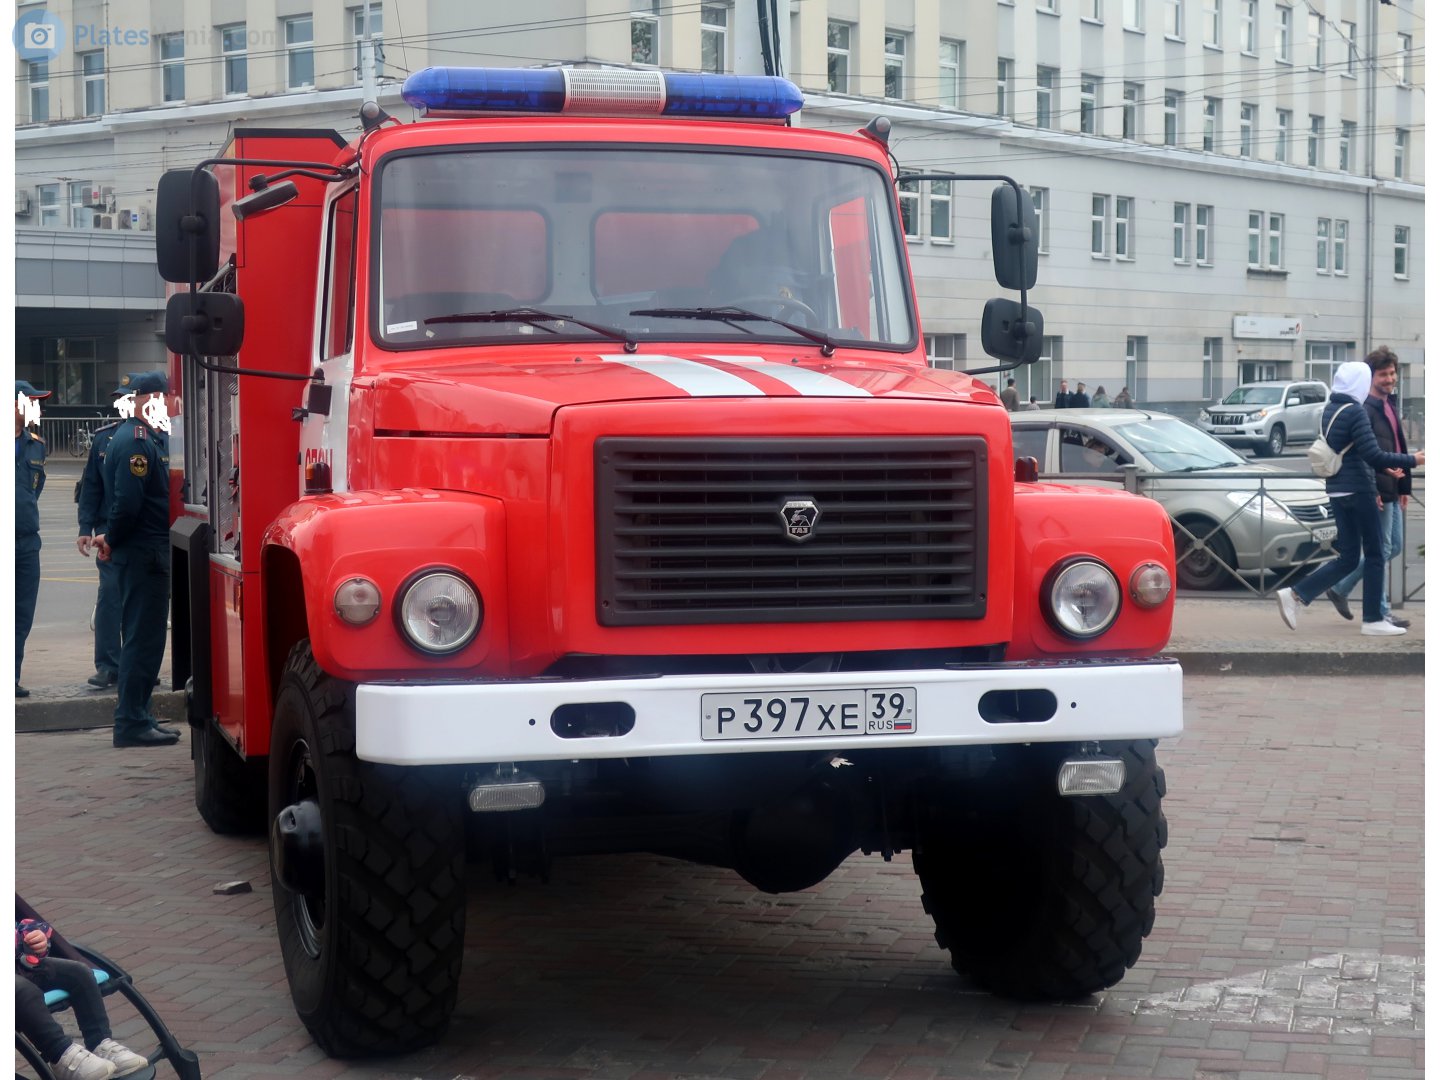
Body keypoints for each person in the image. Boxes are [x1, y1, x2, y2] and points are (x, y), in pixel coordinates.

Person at [1274, 360, 1422, 636]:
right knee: (1376, 553)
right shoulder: (1356, 411)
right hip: (1359, 490)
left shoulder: (1331, 408)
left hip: (1337, 490)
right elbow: (1373, 453)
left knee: (1350, 557)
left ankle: (1295, 594)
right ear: (1360, 383)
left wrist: (1384, 468)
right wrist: (1413, 460)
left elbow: (1356, 452)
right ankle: (1374, 619)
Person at [93, 372, 179, 748]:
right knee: (142, 641)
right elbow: (127, 504)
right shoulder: (136, 442)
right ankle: (130, 721)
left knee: (144, 639)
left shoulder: (139, 437)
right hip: (144, 554)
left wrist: (112, 538)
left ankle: (139, 714)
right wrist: (112, 538)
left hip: (143, 552)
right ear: (151, 399)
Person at [1324, 347, 1412, 628]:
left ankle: (1340, 588)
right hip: (1376, 489)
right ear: (1369, 378)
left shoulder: (1388, 404)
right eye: (1383, 374)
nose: (1390, 379)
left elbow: (1396, 446)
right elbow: (1366, 454)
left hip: (1392, 487)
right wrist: (1373, 490)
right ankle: (1380, 612)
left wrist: (1404, 486)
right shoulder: (1364, 409)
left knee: (1393, 546)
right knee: (1380, 549)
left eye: (1392, 373)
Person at [16, 912, 149, 1078]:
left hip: (20, 965)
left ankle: (100, 1043)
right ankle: (62, 1056)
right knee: (23, 990)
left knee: (78, 972)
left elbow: (21, 929)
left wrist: (34, 939)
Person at [76, 383, 133, 690]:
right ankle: (108, 666)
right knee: (110, 597)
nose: (123, 404)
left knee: (141, 604)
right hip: (108, 535)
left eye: (128, 398)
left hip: (144, 535)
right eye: (120, 399)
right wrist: (85, 528)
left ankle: (138, 667)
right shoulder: (104, 438)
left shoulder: (161, 436)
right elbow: (91, 487)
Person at [15, 380, 50, 699]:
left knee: (21, 615)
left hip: (27, 542)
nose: (37, 408)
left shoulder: (36, 445)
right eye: (32, 402)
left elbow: (34, 490)